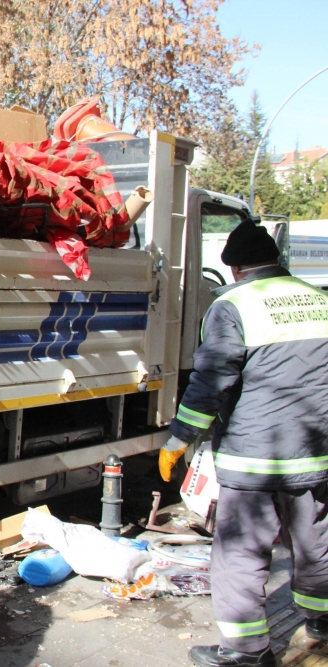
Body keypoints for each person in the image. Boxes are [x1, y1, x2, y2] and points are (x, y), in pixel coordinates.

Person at [160, 220, 328, 667]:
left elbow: (212, 381)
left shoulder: (231, 305)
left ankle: (246, 652)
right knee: (315, 543)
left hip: (255, 456)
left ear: (233, 267)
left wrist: (179, 438)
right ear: (278, 259)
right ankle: (323, 624)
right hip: (316, 453)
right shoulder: (320, 300)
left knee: (240, 553)